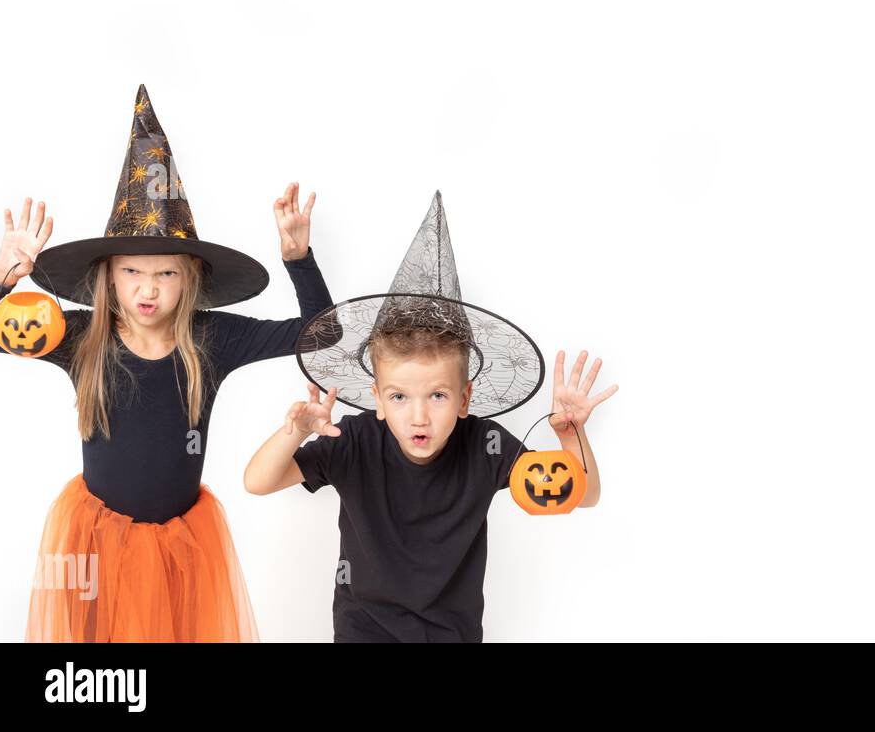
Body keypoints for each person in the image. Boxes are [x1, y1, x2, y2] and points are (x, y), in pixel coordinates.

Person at [0, 84, 335, 641]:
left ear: (190, 280)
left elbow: (322, 338)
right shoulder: (80, 337)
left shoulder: (212, 339)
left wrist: (300, 260)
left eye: (166, 274)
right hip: (94, 539)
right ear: (108, 275)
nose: (147, 289)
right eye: (131, 272)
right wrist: (2, 279)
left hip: (184, 547)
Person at [243, 191, 617, 642]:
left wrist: (570, 434)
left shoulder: (484, 445)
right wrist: (296, 430)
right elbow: (258, 481)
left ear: (465, 399)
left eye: (438, 395)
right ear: (377, 399)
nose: (418, 415)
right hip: (364, 632)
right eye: (399, 397)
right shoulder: (354, 440)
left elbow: (582, 494)